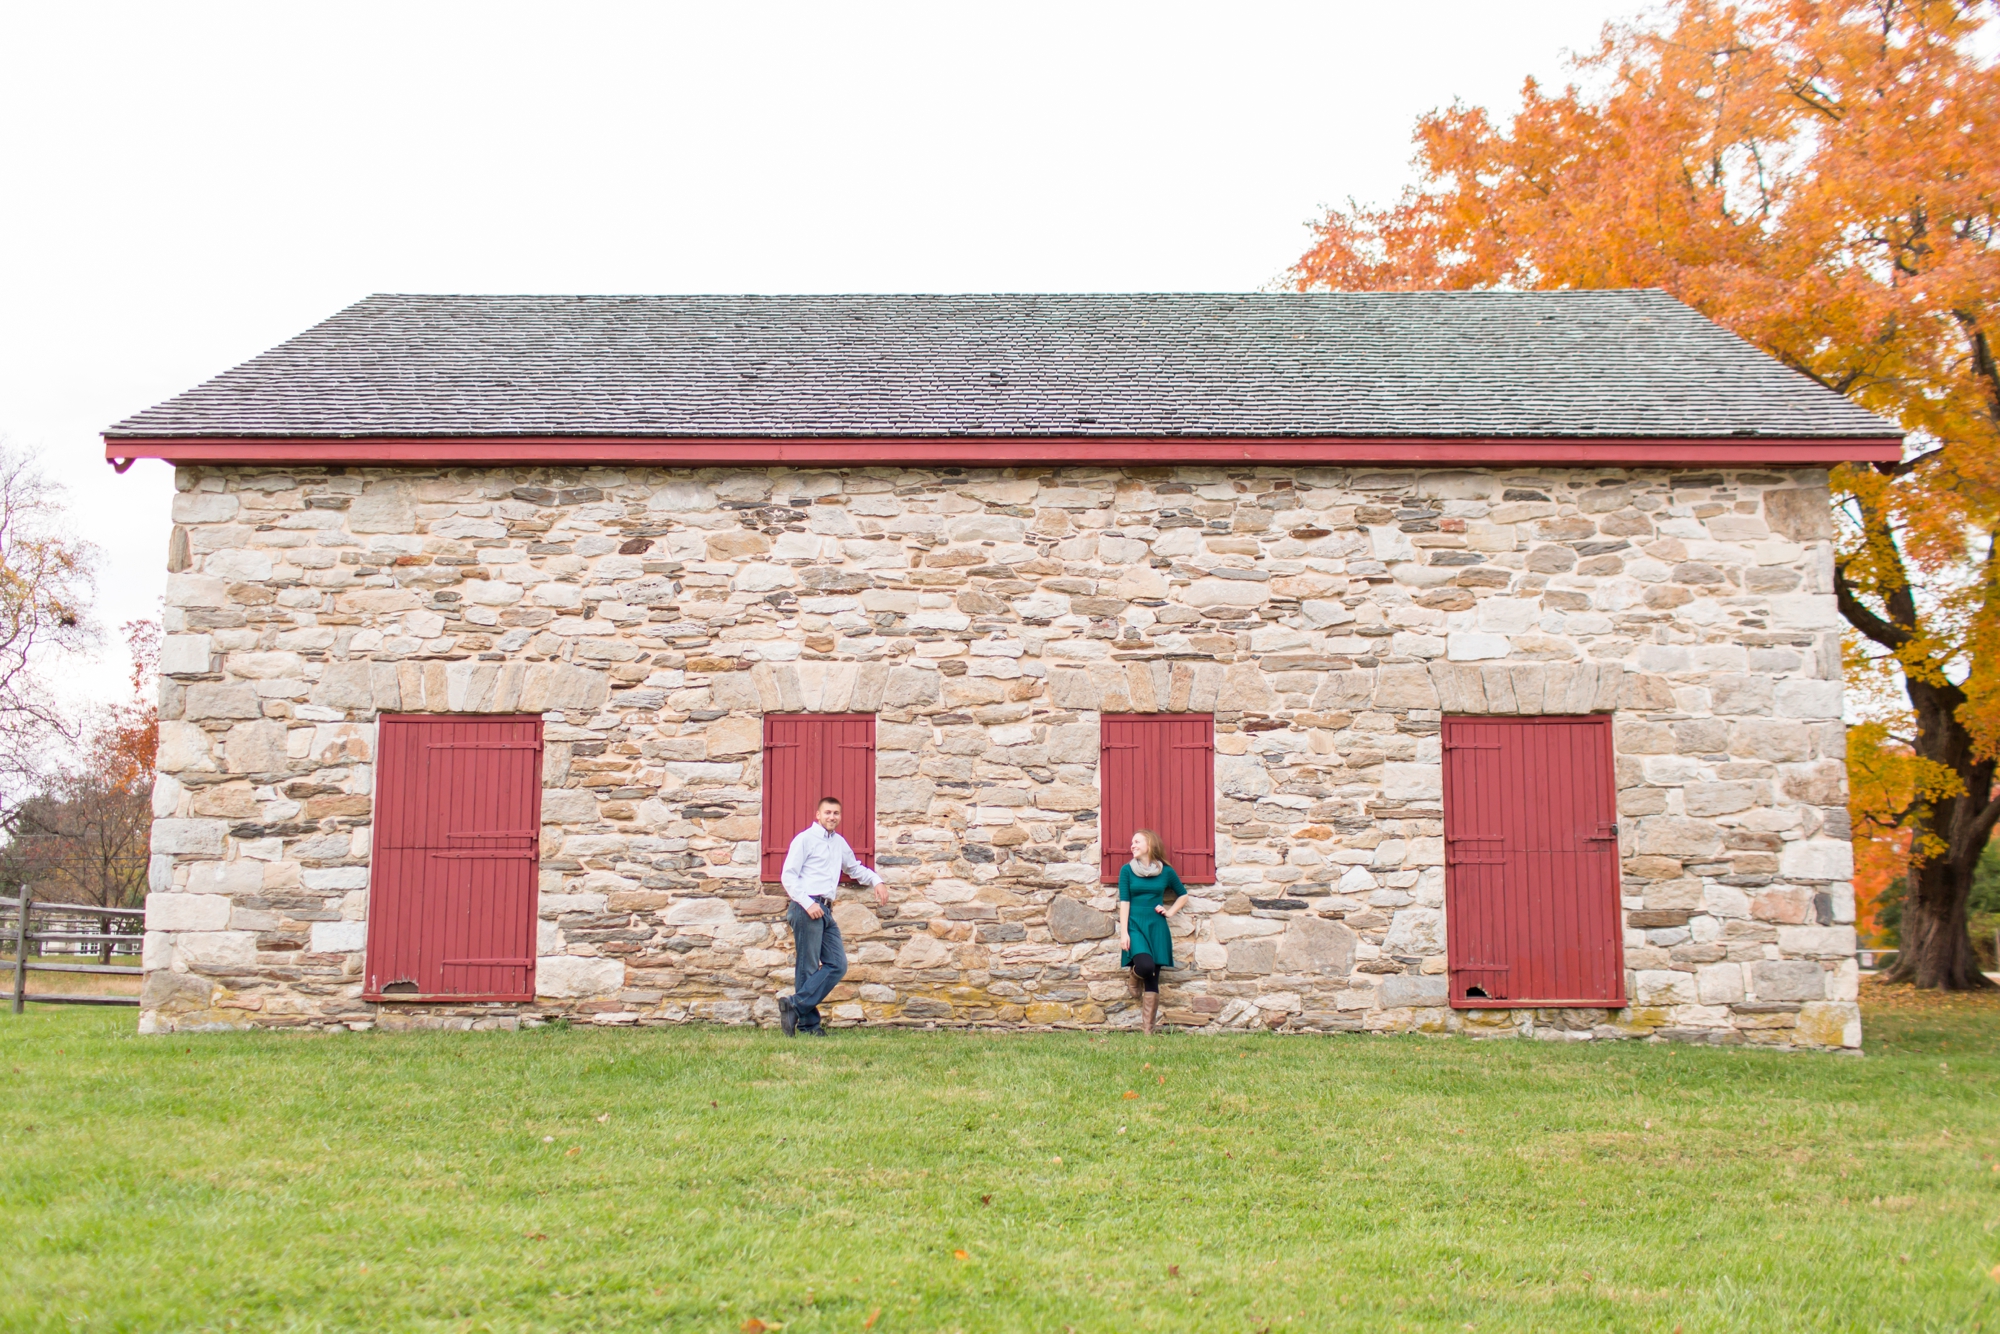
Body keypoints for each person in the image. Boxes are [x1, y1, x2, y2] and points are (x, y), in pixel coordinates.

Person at [777, 795, 888, 1037]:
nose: (832, 817)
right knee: (807, 967)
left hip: (826, 908)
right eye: (827, 813)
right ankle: (808, 1026)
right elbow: (788, 875)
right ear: (817, 815)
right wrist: (807, 904)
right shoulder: (804, 840)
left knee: (837, 964)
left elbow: (854, 868)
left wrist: (876, 881)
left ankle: (794, 1006)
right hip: (807, 906)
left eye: (836, 813)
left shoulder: (838, 842)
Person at [1116, 828, 1185, 1035]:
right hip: (1135, 925)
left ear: (1150, 845)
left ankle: (1148, 1031)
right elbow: (1125, 902)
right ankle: (1134, 976)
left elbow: (1183, 895)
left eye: (1137, 842)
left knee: (1153, 976)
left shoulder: (1166, 872)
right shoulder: (1126, 871)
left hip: (1156, 926)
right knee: (1145, 966)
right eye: (1132, 842)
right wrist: (1123, 933)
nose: (1133, 845)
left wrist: (1170, 911)